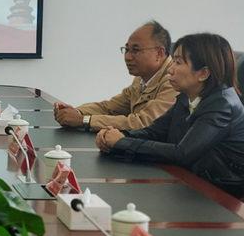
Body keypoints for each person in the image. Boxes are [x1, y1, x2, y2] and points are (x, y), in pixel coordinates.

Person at [97, 33, 244, 197]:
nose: (170, 70)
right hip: (191, 181)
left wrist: (121, 143)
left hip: (221, 195)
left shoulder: (222, 106)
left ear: (203, 73)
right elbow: (153, 132)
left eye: (178, 62)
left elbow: (182, 154)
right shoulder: (188, 96)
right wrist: (117, 136)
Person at [54, 21, 177, 131]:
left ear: (159, 53)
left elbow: (144, 122)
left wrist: (85, 120)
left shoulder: (173, 81)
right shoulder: (141, 80)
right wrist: (76, 112)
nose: (127, 57)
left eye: (135, 50)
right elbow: (109, 108)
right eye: (126, 50)